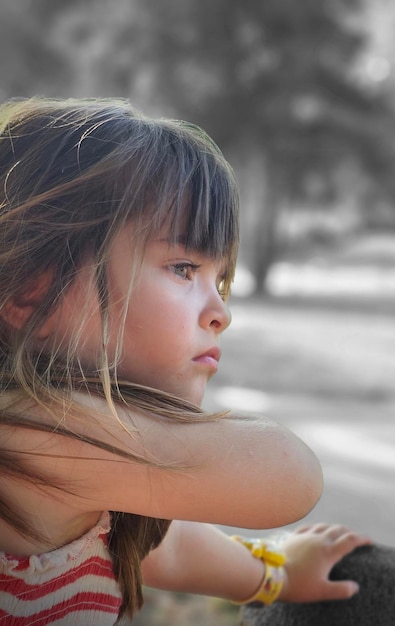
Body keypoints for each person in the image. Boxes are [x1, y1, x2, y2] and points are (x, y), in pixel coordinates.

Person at [0, 97, 371, 625]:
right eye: (182, 267)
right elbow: (290, 474)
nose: (220, 312)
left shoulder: (85, 468)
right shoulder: (29, 434)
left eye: (219, 281)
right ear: (30, 292)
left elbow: (164, 551)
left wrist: (276, 574)